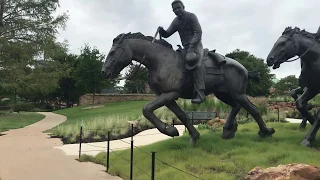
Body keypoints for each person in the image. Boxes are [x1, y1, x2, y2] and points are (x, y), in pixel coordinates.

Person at [158, 0, 206, 104]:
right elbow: (167, 34)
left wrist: (192, 48)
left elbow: (198, 32)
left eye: (178, 8)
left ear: (183, 7)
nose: (177, 10)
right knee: (176, 65)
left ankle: (200, 94)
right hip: (185, 47)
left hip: (196, 45)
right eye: (174, 9)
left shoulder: (191, 16)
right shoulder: (176, 22)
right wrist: (162, 31)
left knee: (197, 66)